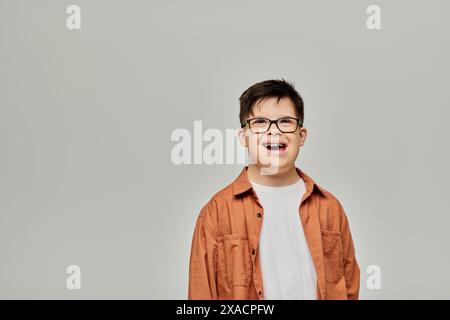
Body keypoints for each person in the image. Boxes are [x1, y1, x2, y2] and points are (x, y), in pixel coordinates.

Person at [188, 79, 360, 300]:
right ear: (243, 137)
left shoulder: (330, 209)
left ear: (302, 135)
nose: (274, 131)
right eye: (260, 122)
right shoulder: (216, 213)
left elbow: (350, 289)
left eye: (285, 122)